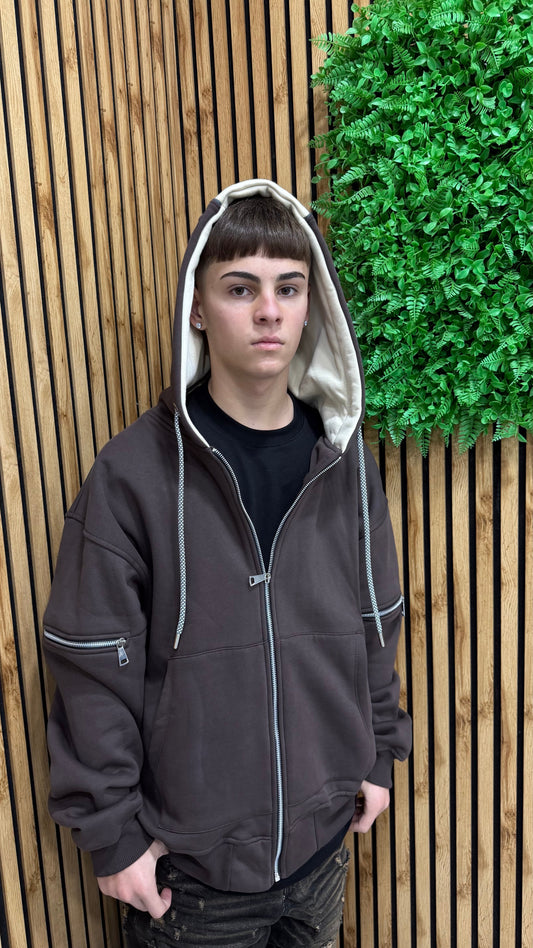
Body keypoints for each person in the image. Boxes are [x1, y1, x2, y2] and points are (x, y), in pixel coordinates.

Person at [43, 179, 412, 947]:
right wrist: (112, 835)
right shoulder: (133, 474)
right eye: (240, 288)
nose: (268, 311)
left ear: (311, 307)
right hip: (191, 882)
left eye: (288, 288)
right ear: (198, 308)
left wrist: (376, 755)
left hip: (322, 853)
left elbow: (376, 622)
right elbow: (92, 660)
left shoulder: (342, 462)